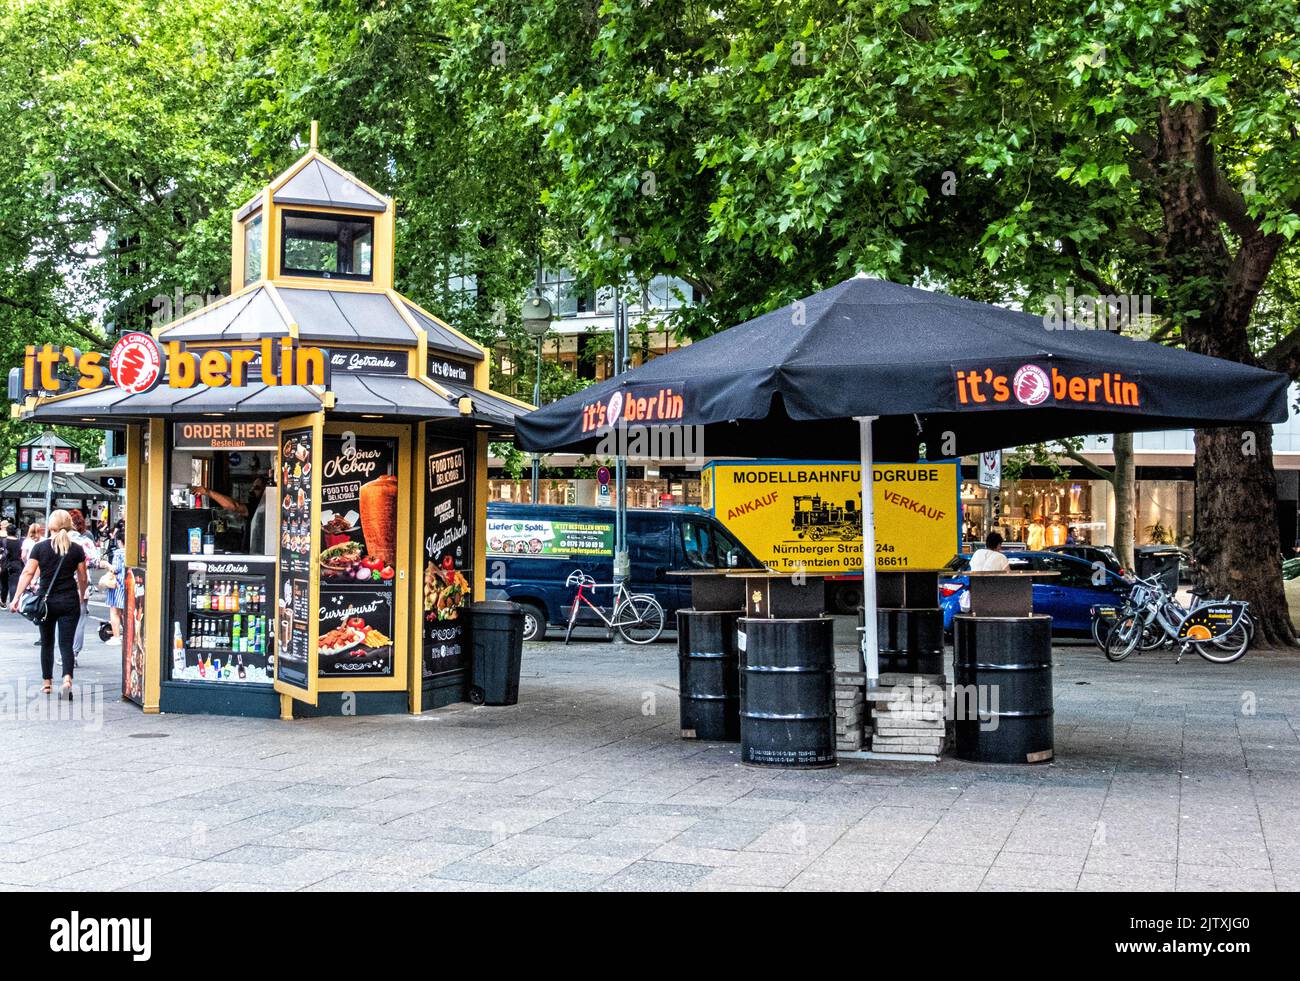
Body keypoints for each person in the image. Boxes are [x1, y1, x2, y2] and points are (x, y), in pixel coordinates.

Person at [10, 509, 88, 698]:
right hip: (69, 600)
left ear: (51, 525)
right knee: (66, 644)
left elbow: (28, 573)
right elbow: (83, 576)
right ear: (69, 525)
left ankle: (47, 684)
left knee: (47, 643)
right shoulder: (77, 549)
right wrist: (82, 594)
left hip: (46, 602)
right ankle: (67, 678)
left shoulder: (40, 547)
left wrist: (16, 598)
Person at [194, 473, 269, 553]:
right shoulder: (257, 507)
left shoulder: (258, 508)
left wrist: (208, 492)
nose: (251, 491)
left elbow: (234, 506)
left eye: (257, 488)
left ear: (265, 491)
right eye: (252, 487)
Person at [67, 509, 102, 663]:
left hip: (63, 584)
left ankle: (65, 651)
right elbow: (95, 561)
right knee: (80, 619)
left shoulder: (58, 541)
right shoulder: (86, 541)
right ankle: (74, 652)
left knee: (62, 620)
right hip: (82, 583)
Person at [1, 521, 21, 606]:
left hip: (5, 564)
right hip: (16, 564)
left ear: (7, 531)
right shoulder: (20, 542)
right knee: (14, 584)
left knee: (4, 584)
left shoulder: (3, 541)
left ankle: (3, 602)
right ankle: (13, 603)